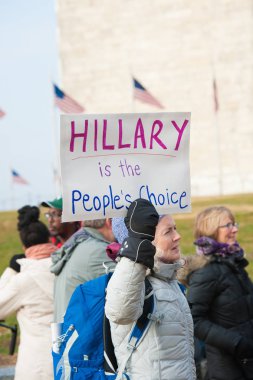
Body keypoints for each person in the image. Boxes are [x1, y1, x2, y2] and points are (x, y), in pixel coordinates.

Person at [105, 198, 196, 380]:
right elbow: (120, 313)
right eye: (168, 231)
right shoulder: (132, 279)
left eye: (175, 228)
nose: (177, 236)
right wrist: (136, 248)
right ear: (146, 239)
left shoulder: (168, 279)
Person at [186, 206, 253, 380]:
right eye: (228, 225)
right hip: (227, 368)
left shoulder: (233, 262)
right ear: (211, 230)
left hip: (246, 361)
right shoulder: (206, 271)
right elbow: (193, 320)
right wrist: (236, 343)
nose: (235, 229)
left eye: (234, 224)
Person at [0, 205, 57, 380]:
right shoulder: (67, 267)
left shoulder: (22, 280)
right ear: (49, 239)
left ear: (24, 245)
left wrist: (10, 271)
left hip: (35, 367)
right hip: (67, 359)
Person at [51, 218, 116, 322]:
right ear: (109, 221)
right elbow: (131, 286)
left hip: (70, 332)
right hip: (84, 334)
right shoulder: (98, 251)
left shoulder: (78, 245)